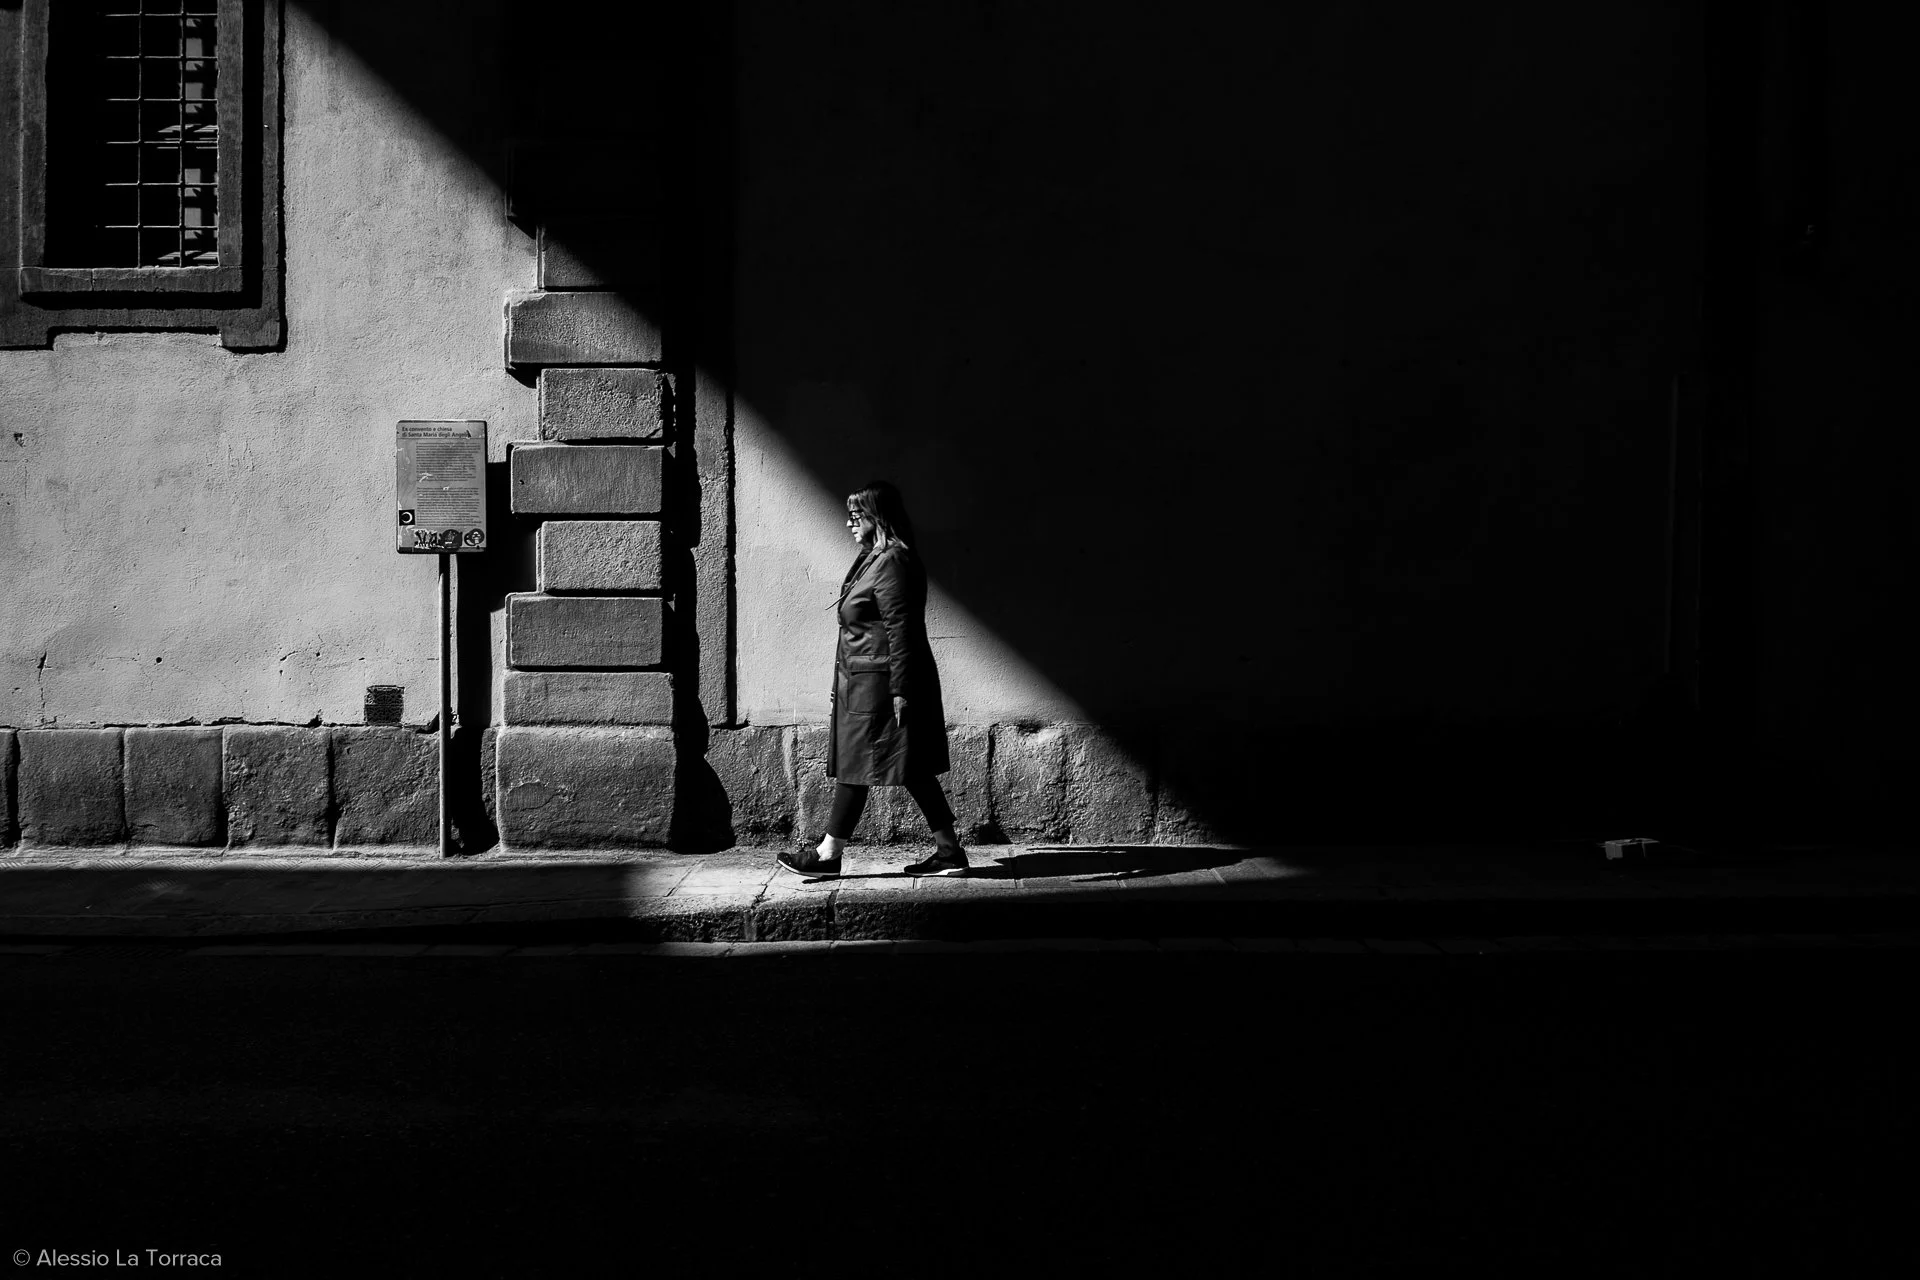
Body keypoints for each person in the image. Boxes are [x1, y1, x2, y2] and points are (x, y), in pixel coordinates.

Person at [777, 481, 969, 879]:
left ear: (877, 517)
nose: (849, 522)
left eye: (857, 515)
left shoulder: (893, 561)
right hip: (862, 681)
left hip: (880, 685)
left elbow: (903, 629)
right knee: (910, 765)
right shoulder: (873, 558)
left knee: (856, 764)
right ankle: (949, 851)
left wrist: (901, 688)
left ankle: (828, 855)